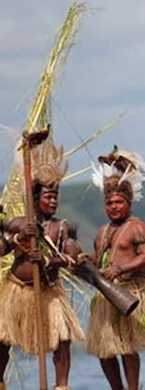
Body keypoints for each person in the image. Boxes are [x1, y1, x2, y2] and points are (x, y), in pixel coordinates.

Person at [0, 145, 84, 390]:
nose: (53, 201)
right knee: (3, 340)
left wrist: (48, 261)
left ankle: (61, 386)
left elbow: (71, 258)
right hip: (16, 291)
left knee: (62, 340)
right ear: (35, 199)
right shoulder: (19, 223)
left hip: (49, 292)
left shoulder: (61, 227)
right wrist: (17, 239)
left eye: (56, 197)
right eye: (48, 197)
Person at [85, 147, 145, 390]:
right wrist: (83, 262)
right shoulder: (102, 231)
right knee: (104, 350)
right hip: (107, 293)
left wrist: (120, 269)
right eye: (109, 203)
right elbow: (98, 261)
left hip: (131, 292)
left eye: (119, 202)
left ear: (128, 202)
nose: (114, 206)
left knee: (127, 347)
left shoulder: (138, 227)